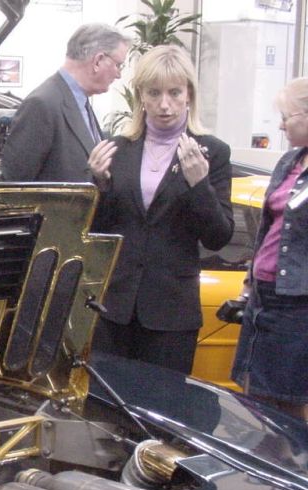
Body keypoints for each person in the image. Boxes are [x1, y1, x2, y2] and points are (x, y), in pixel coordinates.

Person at [87, 45, 233, 374]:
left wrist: (200, 185)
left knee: (165, 399)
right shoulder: (118, 149)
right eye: (154, 93)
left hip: (171, 312)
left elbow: (218, 237)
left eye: (174, 93)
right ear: (141, 95)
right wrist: (100, 184)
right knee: (107, 399)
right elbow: (97, 230)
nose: (164, 104)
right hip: (115, 308)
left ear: (189, 94)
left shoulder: (212, 151)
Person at [231, 78, 308, 420]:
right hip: (263, 297)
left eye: (286, 117)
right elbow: (265, 228)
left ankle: (293, 455)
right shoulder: (289, 162)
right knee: (254, 396)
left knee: (287, 401)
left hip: (296, 304)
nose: (280, 125)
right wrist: (248, 285)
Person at [0, 23, 129, 183]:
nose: (119, 74)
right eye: (118, 65)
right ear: (98, 61)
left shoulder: (79, 101)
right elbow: (13, 185)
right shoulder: (42, 105)